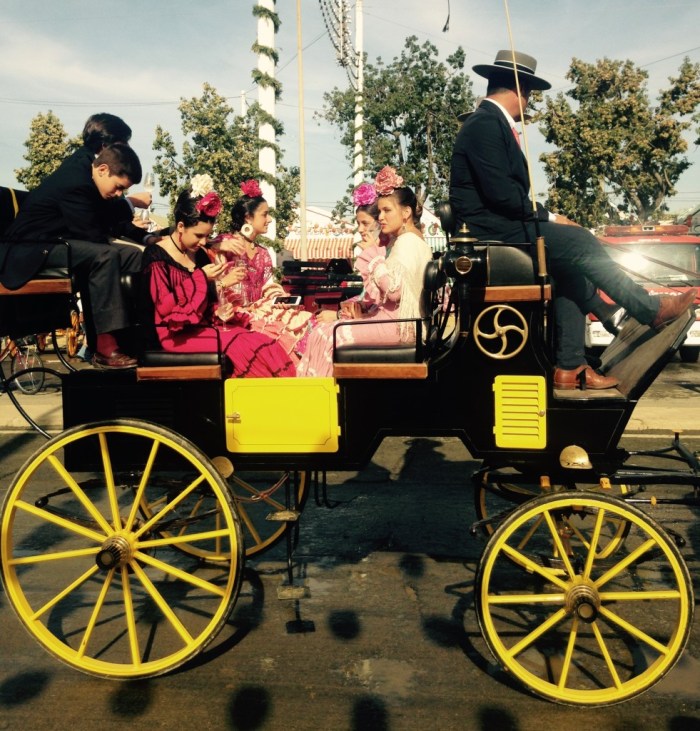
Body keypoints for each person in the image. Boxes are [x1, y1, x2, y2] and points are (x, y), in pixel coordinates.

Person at [449, 50, 697, 390]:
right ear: (519, 90)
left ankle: (571, 366)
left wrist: (552, 219)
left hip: (498, 225)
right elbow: (502, 197)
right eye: (529, 94)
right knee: (580, 241)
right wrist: (551, 216)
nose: (529, 103)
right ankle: (646, 308)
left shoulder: (489, 124)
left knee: (569, 264)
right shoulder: (485, 124)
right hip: (490, 230)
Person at [1, 142, 146, 368]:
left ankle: (135, 335)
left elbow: (106, 225)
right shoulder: (76, 183)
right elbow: (91, 233)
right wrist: (125, 210)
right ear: (103, 170)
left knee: (132, 255)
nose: (118, 194)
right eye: (118, 187)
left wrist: (144, 240)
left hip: (58, 242)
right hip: (31, 247)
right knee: (105, 255)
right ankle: (104, 346)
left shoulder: (91, 181)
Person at [140, 177, 296, 378]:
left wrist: (221, 310)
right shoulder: (156, 255)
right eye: (198, 236)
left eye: (208, 236)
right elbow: (164, 306)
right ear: (180, 227)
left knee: (263, 342)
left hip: (202, 327)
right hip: (171, 334)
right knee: (246, 347)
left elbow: (208, 300)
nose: (204, 242)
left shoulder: (200, 253)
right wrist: (203, 277)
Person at [297, 166, 432, 377]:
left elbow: (395, 292)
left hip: (400, 326)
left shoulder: (407, 243)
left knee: (327, 334)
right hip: (398, 323)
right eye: (380, 212)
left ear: (406, 212)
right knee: (323, 331)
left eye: (387, 210)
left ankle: (320, 400)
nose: (382, 217)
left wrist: (374, 258)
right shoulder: (412, 241)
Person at [208, 179, 314, 362]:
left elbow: (268, 286)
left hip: (259, 309)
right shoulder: (224, 244)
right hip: (232, 313)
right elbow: (201, 246)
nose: (270, 219)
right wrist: (219, 245)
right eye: (265, 215)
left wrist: (278, 299)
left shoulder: (263, 253)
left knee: (303, 319)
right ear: (248, 218)